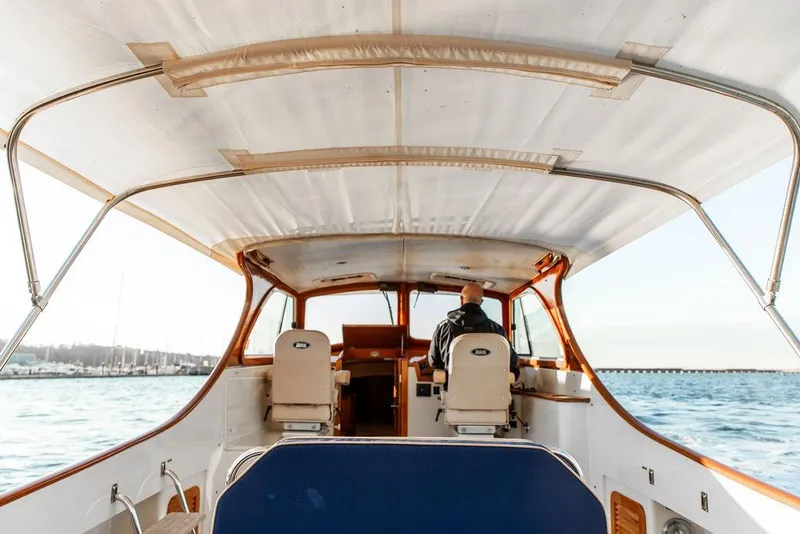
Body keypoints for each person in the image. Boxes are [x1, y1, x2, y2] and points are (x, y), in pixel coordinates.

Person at [428, 283, 520, 380]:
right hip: (491, 393)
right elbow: (512, 364)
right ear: (481, 302)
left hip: (455, 393)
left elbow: (434, 362)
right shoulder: (498, 330)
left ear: (461, 299)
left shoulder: (443, 328)